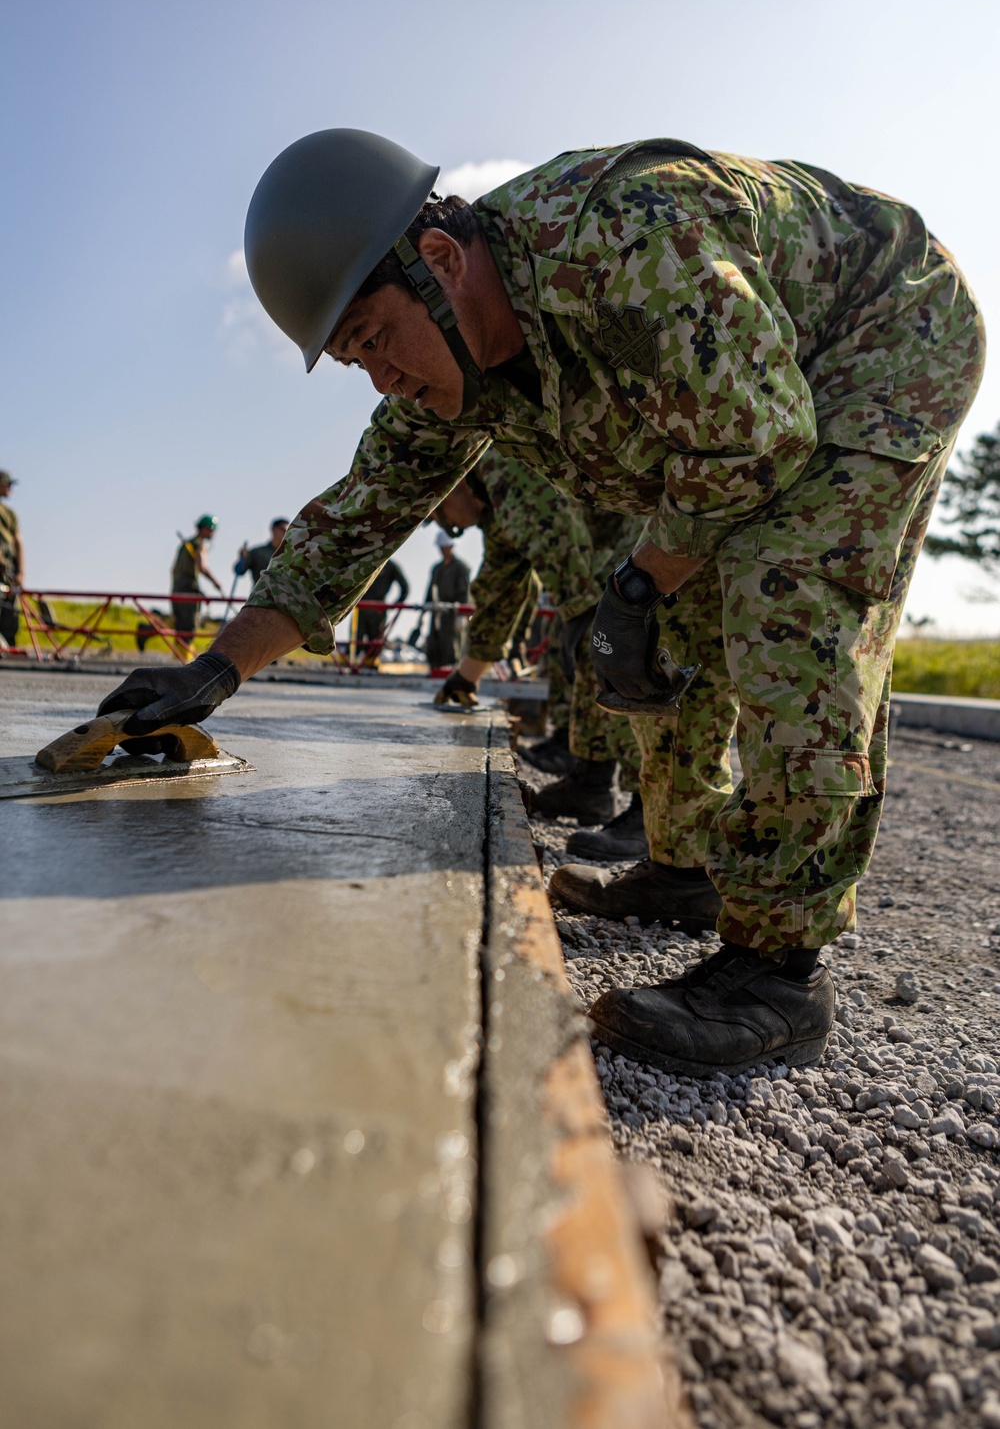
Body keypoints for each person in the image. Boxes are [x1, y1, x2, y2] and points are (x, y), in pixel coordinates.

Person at [99, 129, 984, 1078]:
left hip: (882, 337)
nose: (383, 378)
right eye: (357, 364)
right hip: (746, 408)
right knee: (672, 622)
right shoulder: (452, 370)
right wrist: (215, 669)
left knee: (787, 594)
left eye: (375, 341)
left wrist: (639, 582)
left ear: (439, 260)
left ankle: (779, 968)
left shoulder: (622, 245)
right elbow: (354, 524)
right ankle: (683, 870)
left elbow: (760, 441)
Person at [433, 447, 652, 836]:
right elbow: (500, 593)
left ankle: (648, 813)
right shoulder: (494, 508)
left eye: (444, 520)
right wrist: (466, 677)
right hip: (600, 552)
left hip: (634, 538)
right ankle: (591, 781)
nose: (455, 529)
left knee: (607, 647)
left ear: (452, 487)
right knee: (589, 645)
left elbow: (557, 532)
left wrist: (582, 608)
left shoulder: (501, 469)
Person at [413, 531, 470, 672]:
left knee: (450, 643)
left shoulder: (461, 568)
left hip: (452, 613)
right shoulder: (437, 569)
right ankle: (435, 667)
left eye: (445, 547)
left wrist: (462, 614)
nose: (442, 551)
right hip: (436, 611)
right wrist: (422, 614)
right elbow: (430, 591)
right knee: (434, 642)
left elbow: (464, 592)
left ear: (451, 547)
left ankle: (451, 668)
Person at [171, 515, 223, 659]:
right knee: (189, 626)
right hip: (189, 588)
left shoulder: (185, 545)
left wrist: (175, 587)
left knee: (180, 624)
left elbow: (174, 570)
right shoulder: (199, 544)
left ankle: (179, 657)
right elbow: (202, 566)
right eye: (212, 530)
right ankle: (186, 659)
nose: (213, 534)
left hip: (177, 588)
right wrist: (215, 582)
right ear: (204, 529)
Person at [355, 555, 409, 663]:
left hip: (378, 610)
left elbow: (405, 587)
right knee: (356, 643)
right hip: (360, 608)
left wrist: (395, 604)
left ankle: (372, 666)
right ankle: (353, 665)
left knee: (375, 644)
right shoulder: (364, 562)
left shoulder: (390, 566)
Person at [0, 470, 25, 648]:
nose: (10, 488)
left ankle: (9, 648)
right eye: (7, 484)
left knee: (11, 614)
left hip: (8, 572)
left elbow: (18, 543)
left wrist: (21, 572)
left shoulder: (9, 514)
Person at [235, 518, 289, 588]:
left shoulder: (290, 555)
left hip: (283, 597)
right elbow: (239, 571)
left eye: (289, 531)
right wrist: (243, 558)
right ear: (274, 529)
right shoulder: (257, 552)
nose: (286, 533)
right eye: (284, 530)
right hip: (260, 596)